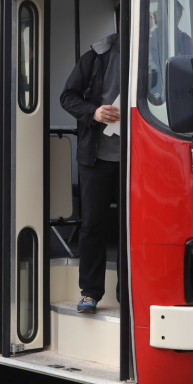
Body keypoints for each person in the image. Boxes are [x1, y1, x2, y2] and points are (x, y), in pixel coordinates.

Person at [60, 26, 120, 314]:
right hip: (96, 158)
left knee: (133, 227)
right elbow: (67, 97)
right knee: (92, 225)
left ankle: (129, 293)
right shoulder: (96, 56)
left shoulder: (156, 55)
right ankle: (90, 293)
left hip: (138, 158)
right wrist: (93, 113)